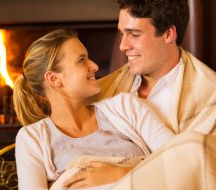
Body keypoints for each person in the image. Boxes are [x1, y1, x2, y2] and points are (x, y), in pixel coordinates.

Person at [13, 29, 174, 190]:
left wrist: (122, 174)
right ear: (53, 79)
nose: (94, 66)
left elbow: (181, 156)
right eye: (81, 60)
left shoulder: (125, 107)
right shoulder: (32, 138)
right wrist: (132, 183)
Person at [93, 0, 216, 135]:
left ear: (168, 34)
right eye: (122, 34)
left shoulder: (210, 97)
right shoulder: (101, 90)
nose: (123, 46)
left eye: (134, 34)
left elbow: (195, 155)